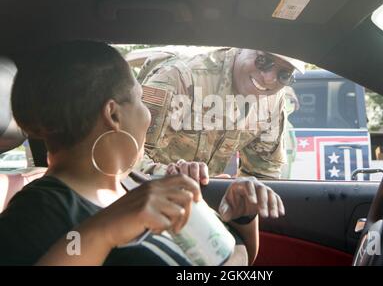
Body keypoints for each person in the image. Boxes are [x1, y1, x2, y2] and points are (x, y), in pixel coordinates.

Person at [0, 41, 285, 265]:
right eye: (139, 99)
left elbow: (234, 264)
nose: (148, 114)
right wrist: (103, 232)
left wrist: (242, 218)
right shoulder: (38, 210)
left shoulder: (137, 186)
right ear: (113, 114)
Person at [139, 47, 304, 180]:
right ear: (241, 46)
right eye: (264, 61)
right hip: (145, 198)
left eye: (284, 75)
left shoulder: (273, 100)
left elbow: (264, 173)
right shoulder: (178, 76)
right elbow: (126, 156)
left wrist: (243, 196)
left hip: (202, 206)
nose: (269, 79)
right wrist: (173, 176)